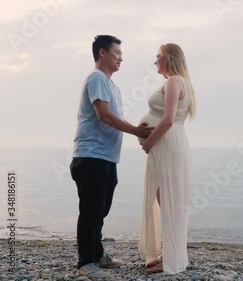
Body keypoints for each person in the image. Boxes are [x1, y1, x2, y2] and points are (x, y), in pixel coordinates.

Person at [70, 35, 153, 279]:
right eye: (117, 52)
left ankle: (97, 256)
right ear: (103, 52)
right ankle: (85, 264)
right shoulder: (96, 78)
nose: (121, 57)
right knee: (90, 211)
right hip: (90, 155)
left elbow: (112, 119)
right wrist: (137, 131)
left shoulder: (112, 85)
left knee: (100, 210)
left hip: (106, 158)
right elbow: (104, 115)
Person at [138, 43, 196, 274]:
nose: (155, 61)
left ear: (169, 58)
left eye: (158, 57)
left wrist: (149, 142)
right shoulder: (180, 82)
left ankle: (171, 259)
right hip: (173, 143)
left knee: (170, 202)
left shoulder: (174, 81)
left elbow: (169, 119)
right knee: (169, 203)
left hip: (167, 144)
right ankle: (169, 254)